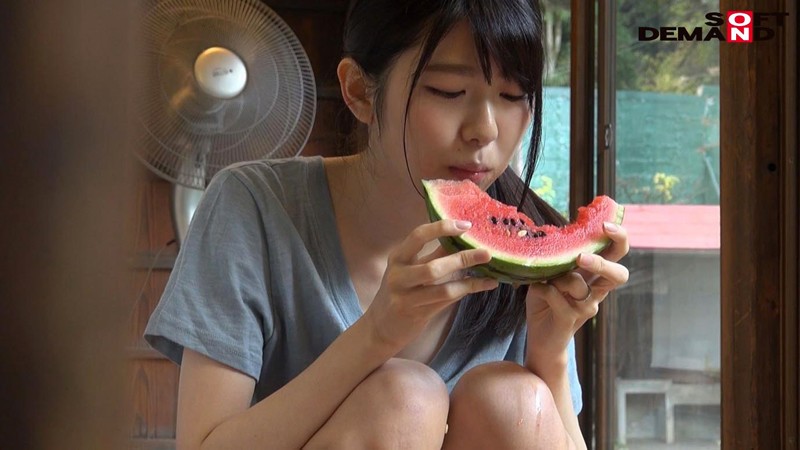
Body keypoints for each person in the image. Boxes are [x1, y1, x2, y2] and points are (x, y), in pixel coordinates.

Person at [144, 0, 630, 448]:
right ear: (359, 91)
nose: (485, 129)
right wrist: (375, 334)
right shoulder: (253, 206)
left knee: (516, 400)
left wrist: (551, 353)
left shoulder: (527, 241)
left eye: (513, 94)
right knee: (404, 398)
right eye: (449, 91)